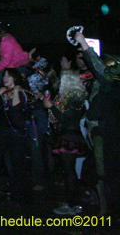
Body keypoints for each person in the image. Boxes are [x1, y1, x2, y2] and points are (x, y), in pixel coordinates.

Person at [69, 27, 120, 217]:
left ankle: (109, 213)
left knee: (106, 173)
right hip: (101, 130)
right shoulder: (108, 85)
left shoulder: (112, 84)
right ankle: (106, 210)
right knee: (101, 172)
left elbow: (102, 72)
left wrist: (83, 42)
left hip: (108, 132)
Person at [44, 68, 89, 215]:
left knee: (70, 172)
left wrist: (52, 107)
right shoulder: (68, 97)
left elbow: (67, 119)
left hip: (70, 138)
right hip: (65, 135)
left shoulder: (75, 99)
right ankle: (72, 201)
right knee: (68, 171)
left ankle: (72, 203)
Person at [0, 67, 32, 205]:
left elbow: (16, 109)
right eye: (4, 76)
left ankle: (18, 193)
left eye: (8, 76)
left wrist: (16, 90)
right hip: (1, 130)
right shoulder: (1, 92)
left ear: (15, 79)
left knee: (16, 162)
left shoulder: (22, 92)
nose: (5, 79)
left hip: (16, 131)